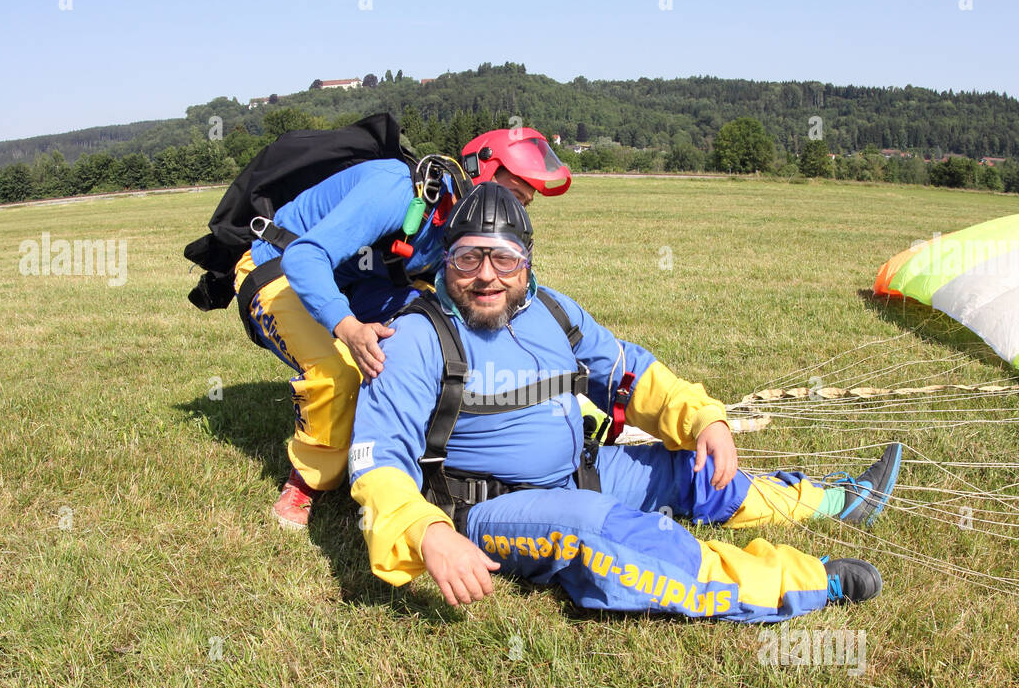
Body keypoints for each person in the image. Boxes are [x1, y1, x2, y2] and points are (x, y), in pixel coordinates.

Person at [348, 183, 903, 622]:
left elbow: (629, 374)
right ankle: (803, 581)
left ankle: (837, 501)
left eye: (504, 260)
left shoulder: (553, 312)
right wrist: (430, 534)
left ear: (528, 265)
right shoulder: (413, 340)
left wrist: (705, 419)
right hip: (489, 507)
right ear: (447, 262)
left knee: (695, 472)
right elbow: (377, 465)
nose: (486, 276)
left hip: (581, 469)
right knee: (605, 531)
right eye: (469, 259)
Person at [234, 126, 572, 529]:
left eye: (523, 204)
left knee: (438, 333)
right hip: (280, 267)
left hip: (359, 280)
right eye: (514, 195)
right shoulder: (398, 189)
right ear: (482, 172)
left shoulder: (458, 213)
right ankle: (307, 483)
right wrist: (347, 326)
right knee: (337, 371)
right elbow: (306, 257)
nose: (514, 211)